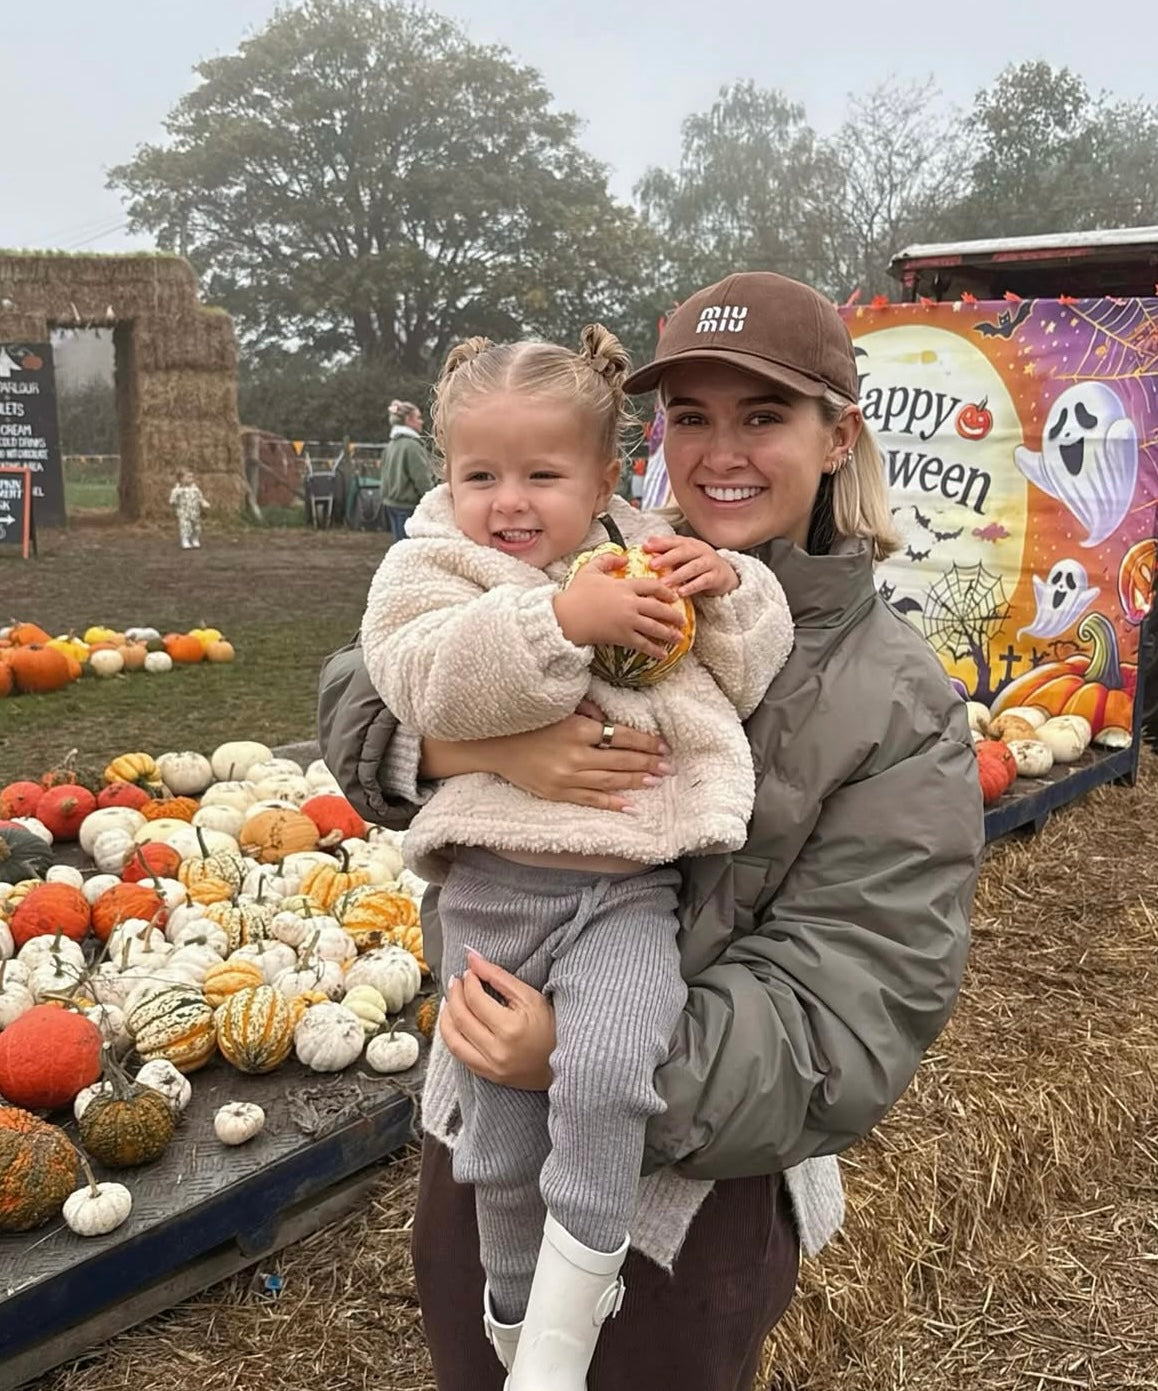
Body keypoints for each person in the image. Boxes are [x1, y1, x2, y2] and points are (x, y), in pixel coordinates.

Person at [318, 270, 985, 1391]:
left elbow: (853, 1000)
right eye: (690, 416)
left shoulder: (897, 699)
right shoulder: (584, 546)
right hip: (478, 1141)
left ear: (837, 437)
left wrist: (581, 1053)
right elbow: (364, 676)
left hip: (685, 1202)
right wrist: (472, 753)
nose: (720, 452)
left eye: (762, 416)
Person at [359, 325, 794, 1387]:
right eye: (480, 475)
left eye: (542, 475)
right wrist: (559, 620)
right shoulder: (431, 564)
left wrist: (728, 588)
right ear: (446, 474)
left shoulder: (648, 549)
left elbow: (740, 670)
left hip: (627, 892)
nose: (508, 502)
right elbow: (420, 677)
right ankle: (515, 1315)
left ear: (605, 477)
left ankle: (570, 1307)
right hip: (494, 897)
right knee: (499, 1140)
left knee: (607, 1068)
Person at [379, 399, 433, 540]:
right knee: (411, 549)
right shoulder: (412, 446)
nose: (421, 422)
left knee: (399, 546)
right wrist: (433, 502)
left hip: (391, 505)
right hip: (408, 508)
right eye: (418, 418)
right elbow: (422, 480)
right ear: (409, 420)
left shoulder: (391, 445)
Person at [168, 468, 209, 549]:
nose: (191, 479)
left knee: (196, 527)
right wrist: (173, 502)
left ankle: (195, 539)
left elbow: (200, 498)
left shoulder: (195, 489)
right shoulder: (177, 490)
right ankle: (185, 540)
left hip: (195, 512)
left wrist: (203, 503)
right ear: (181, 479)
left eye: (192, 477)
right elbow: (172, 499)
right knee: (185, 526)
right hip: (183, 512)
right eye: (188, 477)